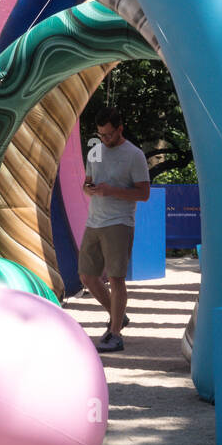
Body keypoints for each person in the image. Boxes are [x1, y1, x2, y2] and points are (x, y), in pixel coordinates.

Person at [78, 104, 150, 354]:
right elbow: (86, 183)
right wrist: (89, 189)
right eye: (100, 134)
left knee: (116, 278)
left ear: (120, 129)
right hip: (94, 220)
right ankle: (118, 314)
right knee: (87, 277)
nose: (104, 138)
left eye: (108, 134)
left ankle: (115, 332)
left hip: (119, 222)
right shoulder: (95, 151)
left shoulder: (135, 155)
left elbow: (144, 194)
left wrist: (112, 191)